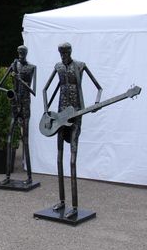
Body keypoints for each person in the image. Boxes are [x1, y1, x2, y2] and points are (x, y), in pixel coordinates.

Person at [42, 42, 102, 219]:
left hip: (75, 113)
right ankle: (62, 201)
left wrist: (97, 103)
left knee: (72, 159)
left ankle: (74, 206)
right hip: (60, 114)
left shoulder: (80, 66)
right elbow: (45, 88)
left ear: (70, 51)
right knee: (59, 156)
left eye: (65, 52)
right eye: (61, 53)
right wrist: (46, 110)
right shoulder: (58, 67)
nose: (63, 56)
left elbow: (98, 87)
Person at [0, 45, 36, 185]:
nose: (20, 54)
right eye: (19, 52)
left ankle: (30, 176)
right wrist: (10, 91)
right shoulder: (13, 66)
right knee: (9, 139)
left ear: (26, 53)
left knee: (25, 140)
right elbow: (0, 85)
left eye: (23, 52)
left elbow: (34, 91)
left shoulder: (32, 67)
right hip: (15, 104)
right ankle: (7, 176)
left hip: (25, 104)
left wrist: (20, 80)